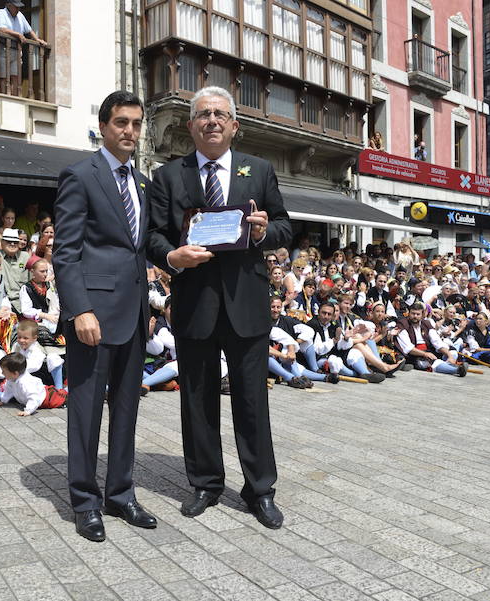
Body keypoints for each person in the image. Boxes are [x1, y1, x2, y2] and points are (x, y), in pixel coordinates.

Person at [147, 85, 291, 529]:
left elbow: (286, 228)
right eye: (203, 114)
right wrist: (173, 258)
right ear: (191, 126)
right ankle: (206, 483)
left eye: (220, 114)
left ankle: (259, 489)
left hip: (246, 304)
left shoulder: (260, 171)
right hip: (194, 304)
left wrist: (266, 231)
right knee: (197, 400)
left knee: (251, 402)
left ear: (234, 126)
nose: (212, 120)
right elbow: (152, 236)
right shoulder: (168, 176)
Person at [53, 90, 156, 542]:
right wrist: (81, 310)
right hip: (92, 316)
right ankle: (85, 501)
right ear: (104, 126)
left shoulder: (142, 183)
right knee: (87, 412)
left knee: (127, 410)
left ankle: (120, 493)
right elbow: (66, 252)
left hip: (133, 315)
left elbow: (140, 248)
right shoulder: (81, 175)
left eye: (136, 123)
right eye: (122, 123)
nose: (130, 131)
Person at [396, 302, 467, 376]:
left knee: (452, 352)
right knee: (427, 363)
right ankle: (457, 370)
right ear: (409, 313)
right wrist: (425, 354)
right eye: (413, 314)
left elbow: (436, 341)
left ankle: (446, 365)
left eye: (418, 314)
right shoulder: (403, 324)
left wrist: (449, 356)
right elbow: (408, 348)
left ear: (422, 315)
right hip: (414, 355)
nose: (415, 316)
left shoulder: (426, 323)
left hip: (429, 350)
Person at [0, 0, 48, 96]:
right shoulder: (1, 13)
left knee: (15, 76)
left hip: (17, 51)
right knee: (3, 76)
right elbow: (1, 29)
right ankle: (4, 96)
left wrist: (37, 39)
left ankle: (14, 97)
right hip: (4, 49)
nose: (18, 9)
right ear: (9, 5)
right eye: (16, 6)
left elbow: (29, 30)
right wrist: (18, 34)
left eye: (19, 7)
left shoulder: (20, 16)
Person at [13, 319, 64, 389]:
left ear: (34, 338)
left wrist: (16, 369)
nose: (21, 340)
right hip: (25, 375)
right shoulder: (17, 346)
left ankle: (59, 388)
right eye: (19, 337)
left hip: (42, 376)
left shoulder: (36, 349)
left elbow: (34, 366)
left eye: (25, 338)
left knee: (53, 357)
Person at [0, 228, 31, 314]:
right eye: (9, 241)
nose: (12, 244)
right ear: (2, 242)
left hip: (22, 303)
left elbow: (32, 282)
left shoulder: (25, 257)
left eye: (15, 242)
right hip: (0, 303)